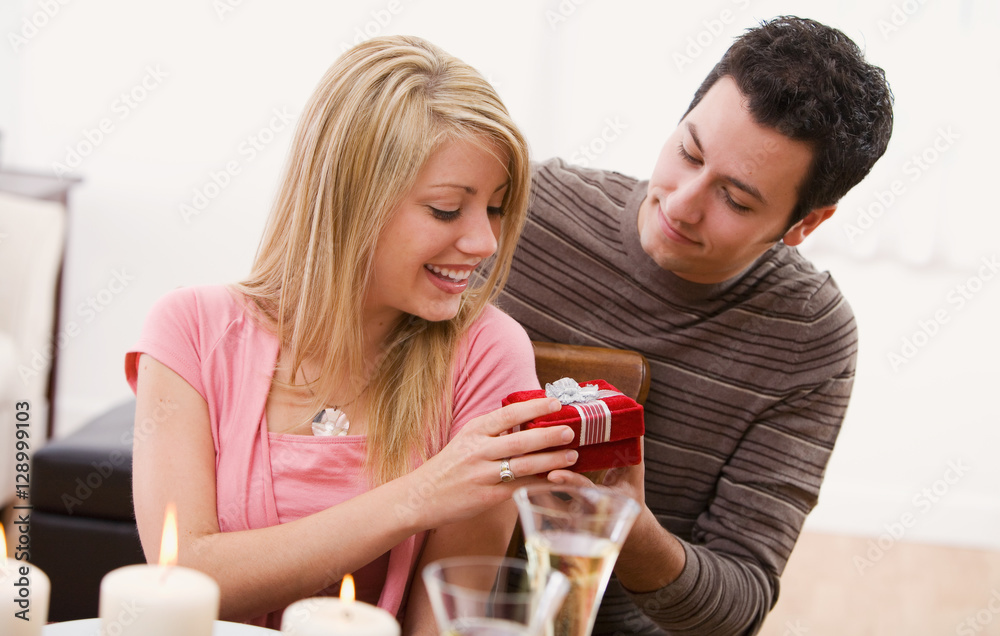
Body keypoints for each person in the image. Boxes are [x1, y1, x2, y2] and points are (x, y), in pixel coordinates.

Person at [125, 35, 579, 631]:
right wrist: (419, 495)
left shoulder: (488, 353)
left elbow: (440, 623)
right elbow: (182, 577)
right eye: (447, 209)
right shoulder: (191, 329)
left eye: (496, 207)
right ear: (350, 200)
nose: (485, 242)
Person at [493, 16, 894, 635]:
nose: (680, 203)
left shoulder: (808, 335)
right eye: (689, 153)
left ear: (805, 224)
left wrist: (630, 532)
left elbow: (738, 606)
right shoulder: (526, 207)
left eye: (736, 199)